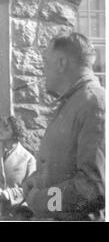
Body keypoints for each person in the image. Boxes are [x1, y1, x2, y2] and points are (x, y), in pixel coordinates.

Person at [23, 32, 105, 221]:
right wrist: (36, 179)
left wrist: (40, 200)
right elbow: (62, 165)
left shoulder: (95, 104)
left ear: (61, 63)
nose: (42, 70)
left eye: (45, 61)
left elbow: (94, 190)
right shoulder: (72, 103)